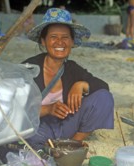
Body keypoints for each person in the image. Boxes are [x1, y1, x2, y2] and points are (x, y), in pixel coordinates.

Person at [23, 8, 114, 148]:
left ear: (72, 42)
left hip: (66, 126)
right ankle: (50, 148)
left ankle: (72, 144)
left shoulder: (72, 68)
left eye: (65, 37)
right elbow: (15, 109)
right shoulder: (29, 68)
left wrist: (81, 85)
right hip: (39, 129)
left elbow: (103, 86)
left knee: (104, 97)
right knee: (28, 135)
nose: (60, 42)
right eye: (53, 37)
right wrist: (48, 109)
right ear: (43, 41)